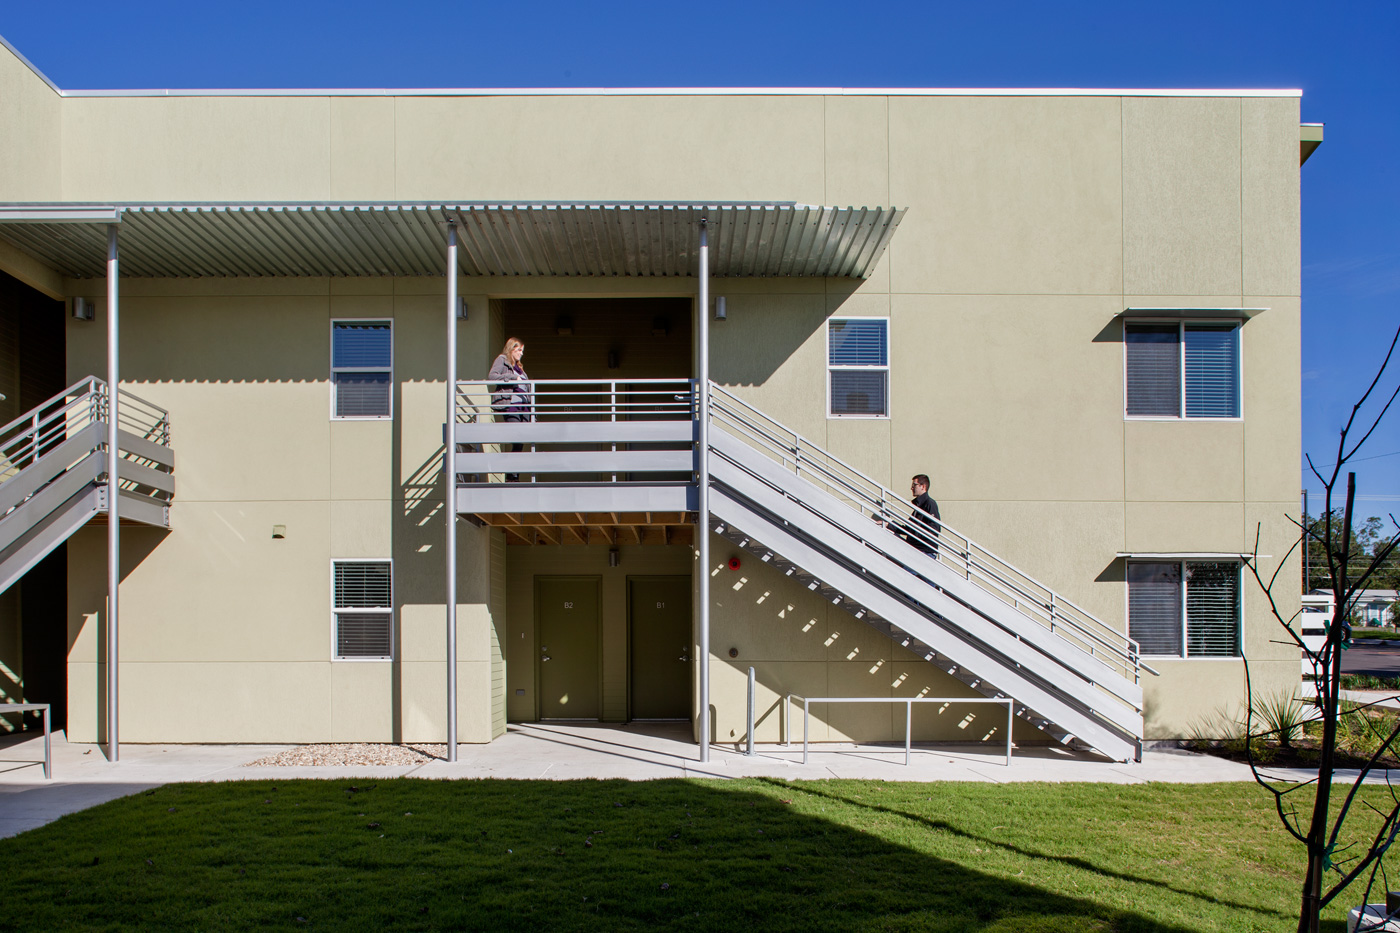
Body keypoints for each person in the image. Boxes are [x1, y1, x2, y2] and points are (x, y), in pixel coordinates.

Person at [487, 337, 532, 482]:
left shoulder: (520, 367)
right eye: (519, 350)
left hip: (524, 407)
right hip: (511, 404)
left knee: (521, 442)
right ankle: (511, 476)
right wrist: (512, 378)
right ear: (511, 349)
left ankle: (514, 475)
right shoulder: (502, 360)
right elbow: (492, 377)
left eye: (522, 351)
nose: (521, 353)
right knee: (516, 439)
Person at [903, 474, 942, 557]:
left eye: (914, 485)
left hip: (924, 551)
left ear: (923, 486)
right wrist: (889, 525)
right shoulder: (919, 506)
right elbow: (909, 528)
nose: (912, 488)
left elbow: (934, 529)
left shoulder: (930, 504)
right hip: (917, 550)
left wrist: (916, 536)